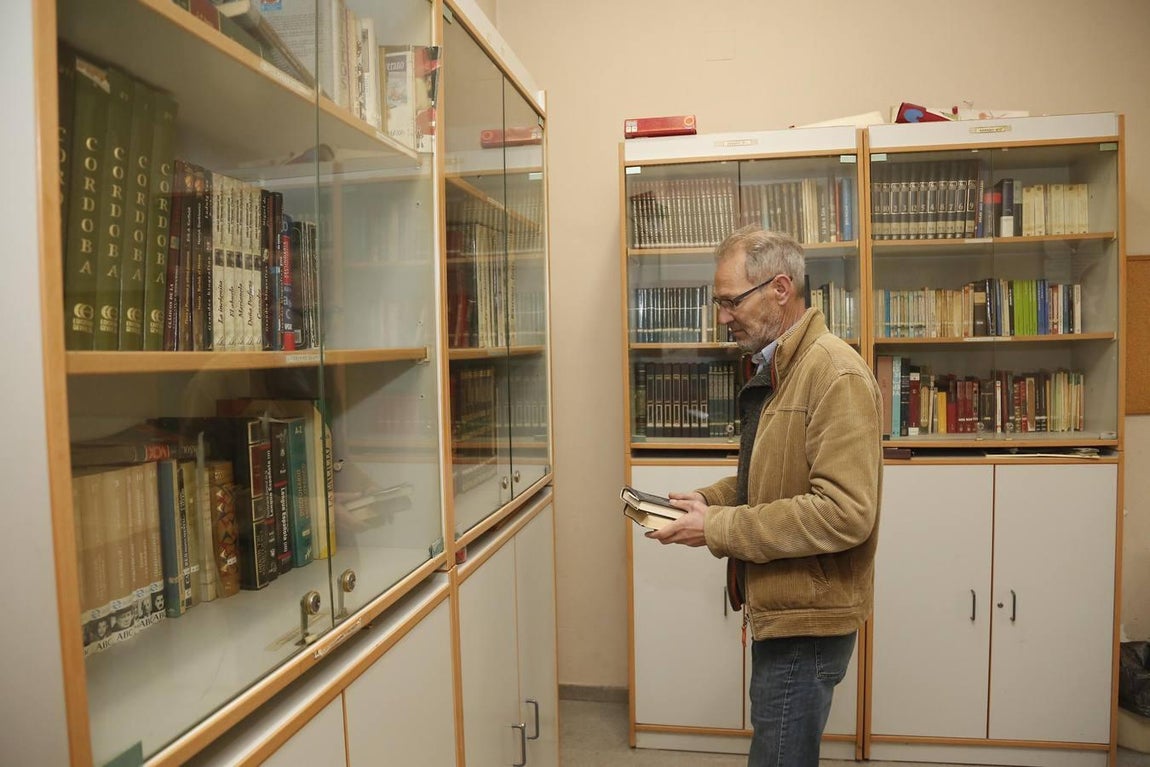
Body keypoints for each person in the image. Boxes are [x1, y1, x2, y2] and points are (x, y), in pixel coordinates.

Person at [647, 226, 883, 767]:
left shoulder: (834, 374)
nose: (723, 317)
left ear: (780, 289)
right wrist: (705, 503)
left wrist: (718, 528)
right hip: (786, 605)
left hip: (808, 619)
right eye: (719, 303)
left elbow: (845, 513)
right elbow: (769, 478)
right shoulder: (783, 365)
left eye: (732, 302)